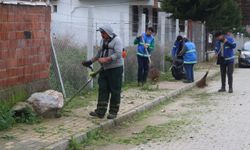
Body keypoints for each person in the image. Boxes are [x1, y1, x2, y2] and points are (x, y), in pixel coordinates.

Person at [82, 24, 123, 119]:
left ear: (108, 33)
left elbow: (119, 54)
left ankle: (113, 112)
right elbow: (99, 54)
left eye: (103, 33)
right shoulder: (102, 41)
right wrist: (90, 61)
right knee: (103, 88)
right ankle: (100, 112)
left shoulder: (117, 40)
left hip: (115, 69)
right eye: (101, 33)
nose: (101, 35)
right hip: (104, 69)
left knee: (115, 90)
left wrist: (107, 59)